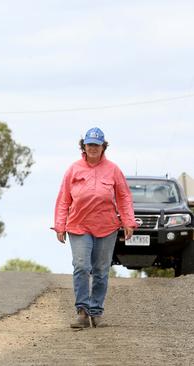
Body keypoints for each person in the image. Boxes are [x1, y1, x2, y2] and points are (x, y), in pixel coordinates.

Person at [53, 127, 136, 328]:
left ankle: (96, 311)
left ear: (103, 147)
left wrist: (128, 221)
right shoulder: (73, 169)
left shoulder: (113, 170)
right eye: (89, 144)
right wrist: (59, 225)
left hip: (106, 227)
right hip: (79, 225)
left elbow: (124, 197)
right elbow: (64, 199)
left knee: (100, 270)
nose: (93, 148)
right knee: (81, 266)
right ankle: (82, 311)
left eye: (96, 145)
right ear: (84, 146)